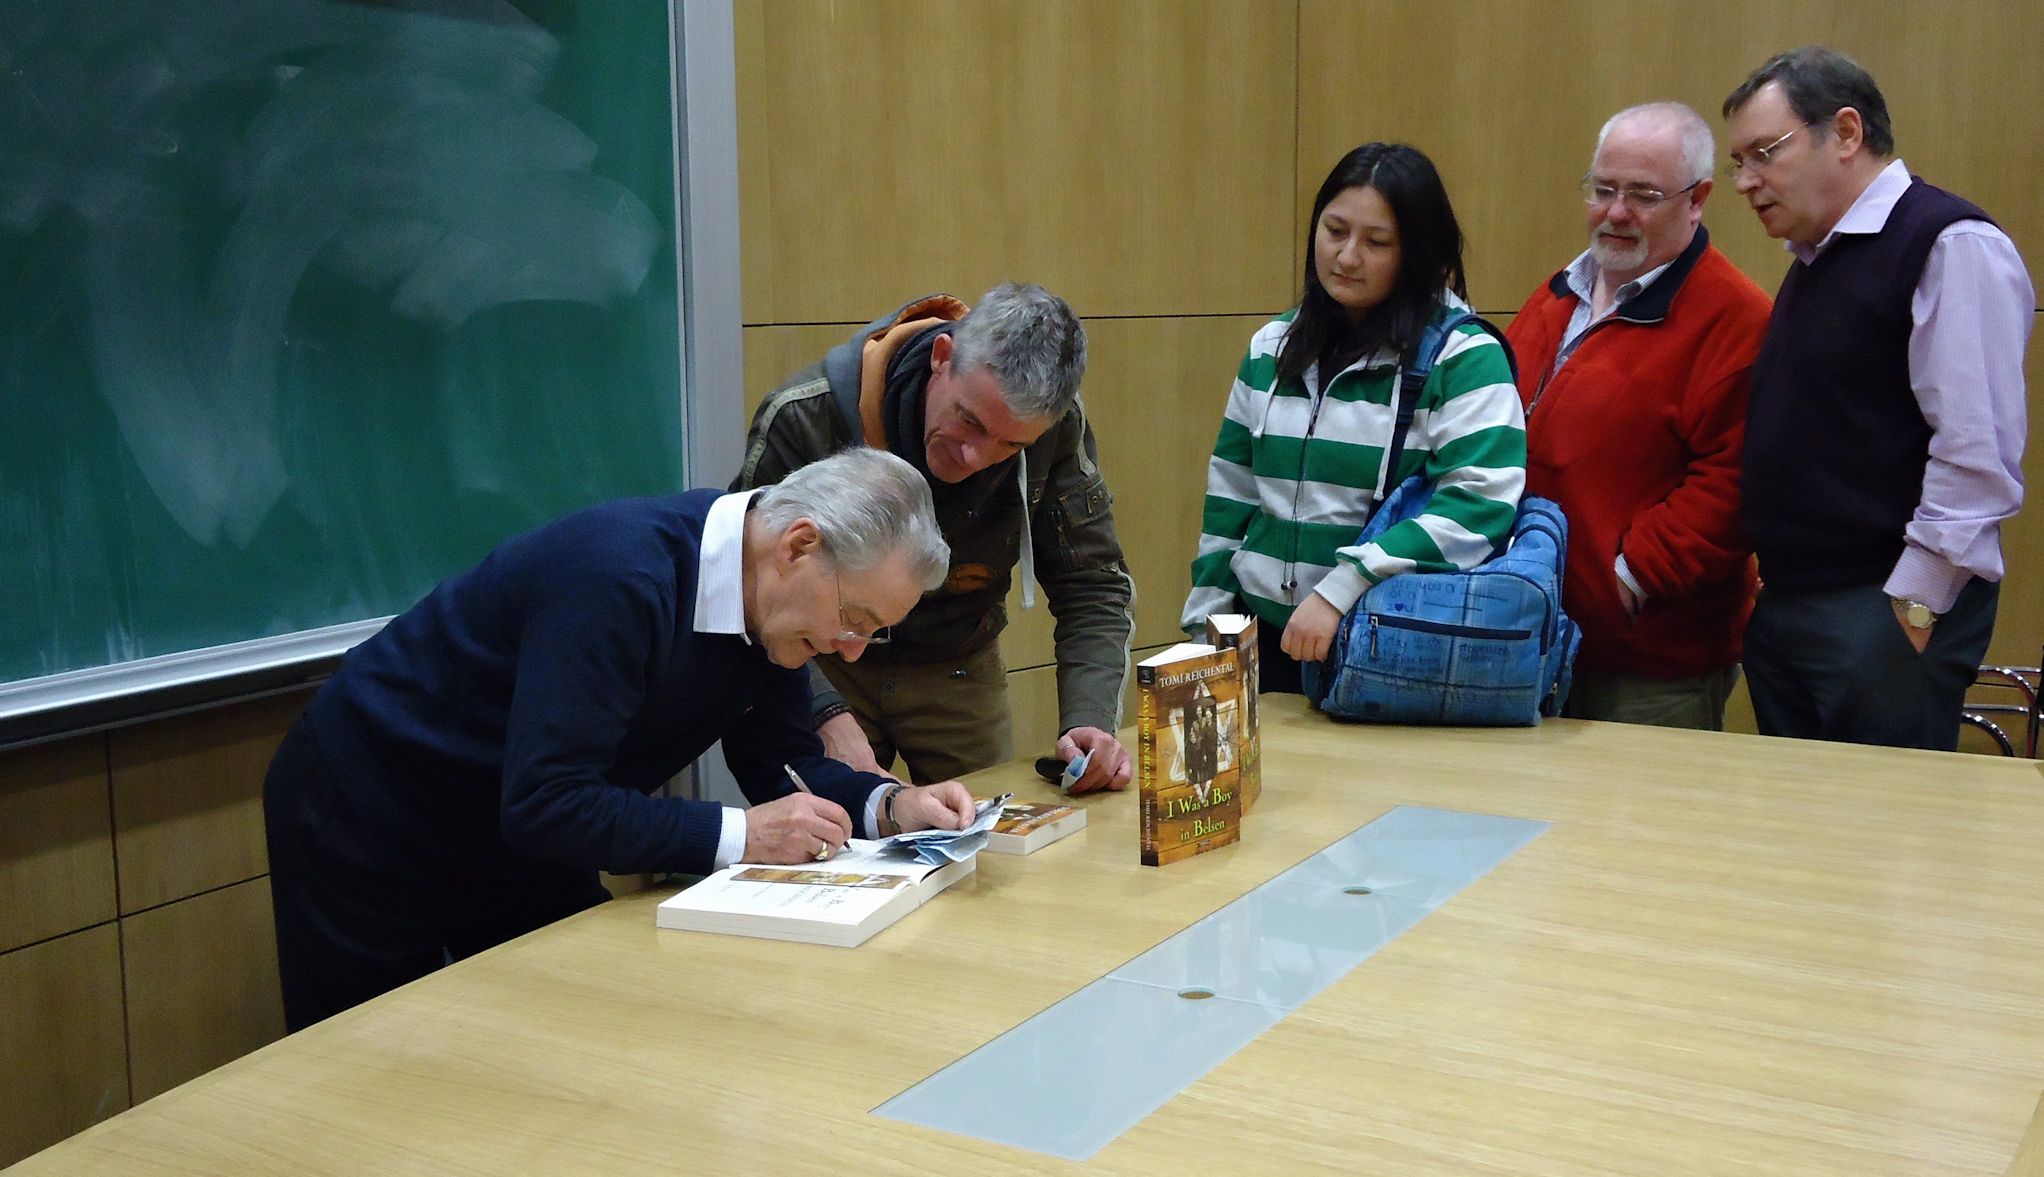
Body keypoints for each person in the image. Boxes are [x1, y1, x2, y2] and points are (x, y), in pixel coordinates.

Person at [263, 448, 977, 1029]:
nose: (851, 650)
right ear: (799, 546)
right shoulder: (621, 575)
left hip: (518, 821)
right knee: (374, 1068)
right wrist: (743, 835)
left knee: (580, 1027)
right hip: (372, 804)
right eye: (854, 616)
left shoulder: (777, 619)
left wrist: (891, 808)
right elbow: (547, 801)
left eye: (872, 629)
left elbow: (783, 767)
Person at [1723, 47, 2031, 749]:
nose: (1746, 181)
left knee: (1883, 847)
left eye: (1763, 154)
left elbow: (1975, 451)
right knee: (1804, 844)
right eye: (1737, 162)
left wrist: (1916, 606)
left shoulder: (1949, 244)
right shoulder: (1816, 259)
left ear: (1848, 134)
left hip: (1881, 613)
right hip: (1795, 603)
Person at [736, 282, 1136, 792]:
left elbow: (1093, 585)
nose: (974, 456)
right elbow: (747, 591)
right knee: (824, 844)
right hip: (822, 663)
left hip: (959, 664)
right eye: (968, 420)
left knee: (986, 842)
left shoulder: (1053, 429)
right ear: (942, 358)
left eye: (1009, 444)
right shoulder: (807, 418)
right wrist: (823, 713)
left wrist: (1090, 719)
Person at [1181, 142, 1526, 693]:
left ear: (1417, 253)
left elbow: (1480, 506)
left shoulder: (1463, 356)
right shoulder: (1271, 346)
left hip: (1383, 643)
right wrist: (1206, 628)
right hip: (1263, 641)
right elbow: (1232, 499)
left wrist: (1341, 588)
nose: (1345, 257)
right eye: (1334, 230)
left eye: (1376, 242)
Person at [1505, 103, 1773, 730]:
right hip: (1526, 637)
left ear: (1698, 199)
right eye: (1604, 190)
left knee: (1639, 829)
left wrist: (1629, 578)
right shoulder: (1556, 293)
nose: (1616, 212)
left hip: (1647, 663)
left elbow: (1734, 483)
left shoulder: (1737, 320)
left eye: (1644, 195)